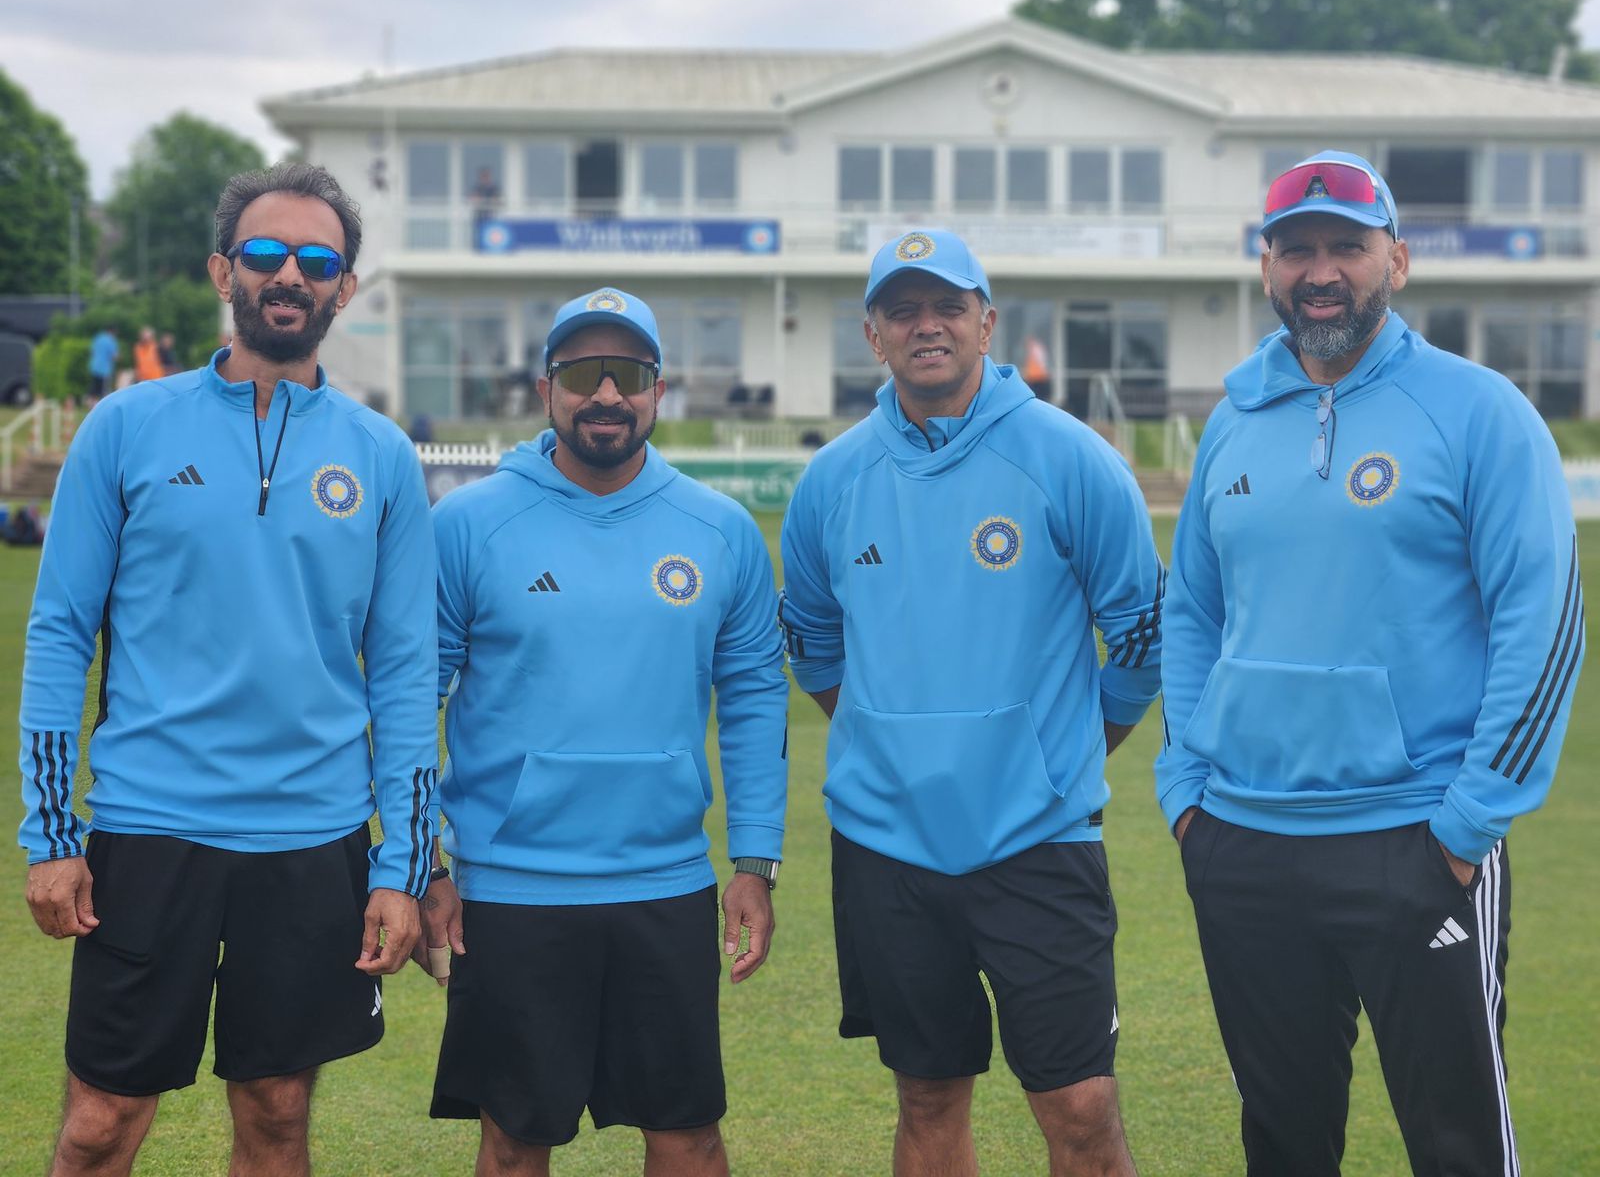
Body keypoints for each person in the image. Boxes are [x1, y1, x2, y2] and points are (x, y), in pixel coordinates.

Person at [1157, 151, 1585, 1176]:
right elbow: (1192, 612)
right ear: (1266, 266)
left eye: (1345, 246)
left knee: (1457, 1147)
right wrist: (1186, 790)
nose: (1321, 271)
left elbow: (1542, 623)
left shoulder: (1478, 411)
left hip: (1414, 839)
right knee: (1283, 1144)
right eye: (1296, 248)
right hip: (1244, 841)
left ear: (1395, 258)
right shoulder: (1233, 420)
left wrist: (1468, 822)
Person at [19, 162, 440, 1177]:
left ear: (344, 287)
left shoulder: (381, 455)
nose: (289, 275)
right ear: (223, 271)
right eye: (264, 253)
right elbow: (60, 631)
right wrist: (51, 833)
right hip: (147, 831)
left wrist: (401, 866)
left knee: (278, 1116)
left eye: (317, 261)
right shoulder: (127, 427)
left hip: (312, 841)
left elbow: (403, 672)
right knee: (99, 1126)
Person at [779, 229, 1165, 1177]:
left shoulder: (1071, 458)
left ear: (986, 323)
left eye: (948, 307)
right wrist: (891, 743)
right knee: (928, 1096)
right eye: (903, 310)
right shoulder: (832, 479)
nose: (928, 326)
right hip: (887, 847)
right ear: (872, 334)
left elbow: (1143, 636)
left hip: (1039, 839)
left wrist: (1062, 750)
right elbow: (814, 643)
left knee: (1080, 1107)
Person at [423, 286, 789, 1177]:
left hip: (665, 884)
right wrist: (421, 865)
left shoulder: (720, 530)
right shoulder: (467, 524)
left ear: (658, 389)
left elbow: (753, 698)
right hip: (510, 890)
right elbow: (405, 704)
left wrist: (754, 860)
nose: (607, 393)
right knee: (515, 1142)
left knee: (689, 1139)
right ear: (546, 389)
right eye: (583, 372)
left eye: (627, 372)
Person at [86, 327, 118, 403]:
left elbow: (92, 351)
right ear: (113, 332)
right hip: (104, 370)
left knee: (94, 389)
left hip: (94, 367)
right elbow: (114, 356)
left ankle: (90, 404)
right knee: (103, 391)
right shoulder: (111, 340)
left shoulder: (98, 338)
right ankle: (103, 405)